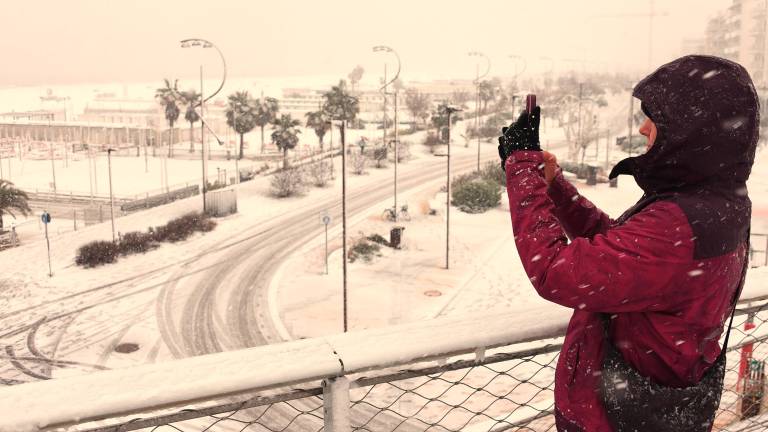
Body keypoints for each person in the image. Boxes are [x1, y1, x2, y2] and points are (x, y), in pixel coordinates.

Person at [498, 55, 759, 431]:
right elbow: (622, 255)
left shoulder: (679, 224)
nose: (642, 128)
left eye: (656, 118)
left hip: (614, 416)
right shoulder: (718, 201)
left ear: (690, 131)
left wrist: (522, 168)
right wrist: (555, 188)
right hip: (654, 404)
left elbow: (555, 271)